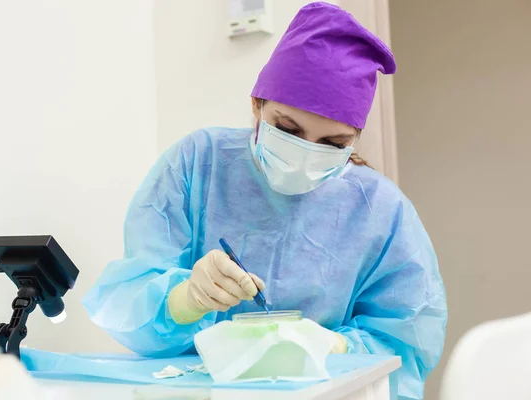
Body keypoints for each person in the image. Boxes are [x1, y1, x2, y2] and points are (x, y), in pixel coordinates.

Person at [83, 3, 447, 400]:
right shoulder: (197, 163)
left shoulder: (380, 210)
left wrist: (334, 346)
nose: (305, 154)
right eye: (287, 129)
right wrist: (185, 300)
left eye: (333, 144)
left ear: (354, 140)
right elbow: (124, 299)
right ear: (256, 106)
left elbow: (406, 343)